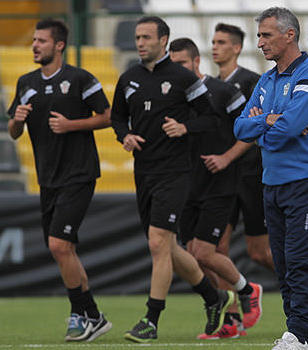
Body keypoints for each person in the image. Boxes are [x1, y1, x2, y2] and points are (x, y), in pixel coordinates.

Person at [110, 16, 234, 343]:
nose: (140, 43)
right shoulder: (129, 78)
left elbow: (210, 118)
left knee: (156, 243)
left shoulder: (182, 78)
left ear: (163, 40)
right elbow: (117, 116)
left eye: (146, 37)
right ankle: (214, 298)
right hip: (144, 172)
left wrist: (185, 128)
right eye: (137, 37)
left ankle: (150, 319)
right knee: (169, 247)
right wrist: (124, 136)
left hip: (175, 172)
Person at [7, 18, 112, 342]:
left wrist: (72, 125)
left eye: (41, 40)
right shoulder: (26, 82)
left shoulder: (80, 78)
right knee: (63, 250)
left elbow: (109, 116)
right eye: (34, 40)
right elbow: (12, 130)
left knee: (59, 244)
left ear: (59, 45)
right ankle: (92, 316)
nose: (35, 45)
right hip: (47, 177)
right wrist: (17, 122)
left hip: (79, 173)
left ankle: (81, 314)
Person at [234, 7, 308, 350]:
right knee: (285, 264)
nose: (259, 42)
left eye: (265, 35)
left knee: (300, 261)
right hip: (272, 183)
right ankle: (296, 335)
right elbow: (240, 127)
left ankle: (300, 335)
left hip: (306, 182)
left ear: (290, 35)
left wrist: (269, 124)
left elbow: (287, 127)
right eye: (259, 35)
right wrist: (270, 123)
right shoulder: (267, 79)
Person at [168, 37, 263, 340]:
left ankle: (247, 291)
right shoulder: (173, 97)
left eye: (182, 63)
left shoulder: (224, 92)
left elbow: (250, 130)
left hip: (221, 184)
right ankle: (231, 315)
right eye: (173, 65)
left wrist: (226, 158)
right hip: (188, 184)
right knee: (195, 255)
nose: (178, 70)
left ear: (196, 62)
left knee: (208, 251)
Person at [211, 23, 273, 272]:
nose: (214, 47)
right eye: (213, 42)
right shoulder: (211, 87)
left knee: (259, 253)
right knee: (216, 249)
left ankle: (299, 288)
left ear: (237, 48)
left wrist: (227, 157)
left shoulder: (252, 83)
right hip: (223, 179)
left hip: (251, 175)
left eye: (221, 42)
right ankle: (235, 308)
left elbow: (259, 127)